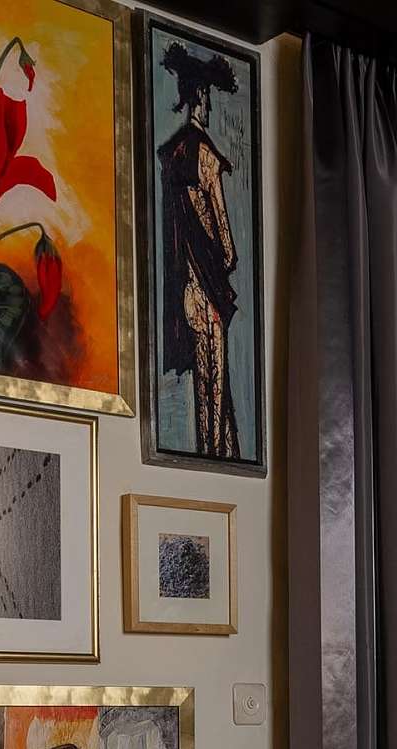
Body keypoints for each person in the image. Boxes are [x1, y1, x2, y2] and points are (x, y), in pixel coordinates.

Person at [157, 42, 243, 460]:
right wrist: (225, 257)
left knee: (205, 386)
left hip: (184, 289)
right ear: (201, 96)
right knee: (216, 386)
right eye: (207, 96)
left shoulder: (170, 155)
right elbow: (225, 238)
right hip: (208, 288)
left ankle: (216, 455)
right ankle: (217, 458)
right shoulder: (204, 155)